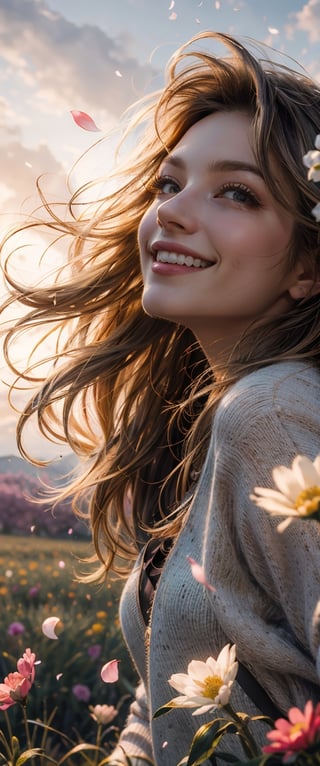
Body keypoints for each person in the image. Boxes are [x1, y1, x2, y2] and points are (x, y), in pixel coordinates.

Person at [2, 30, 320, 766]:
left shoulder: (272, 413)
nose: (171, 213)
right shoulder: (220, 418)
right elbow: (165, 704)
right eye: (169, 184)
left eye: (235, 192)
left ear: (308, 265)